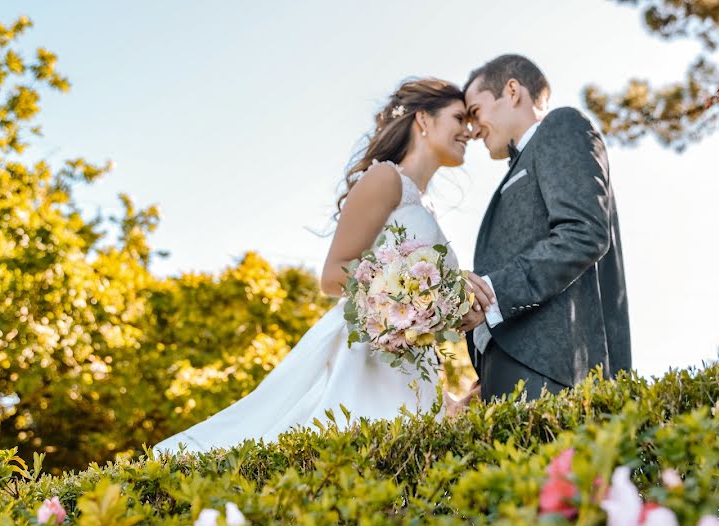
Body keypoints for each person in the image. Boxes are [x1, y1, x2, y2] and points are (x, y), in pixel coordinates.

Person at [154, 78, 489, 455]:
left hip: (407, 357)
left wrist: (449, 306)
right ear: (423, 119)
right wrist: (420, 293)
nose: (470, 130)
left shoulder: (423, 204)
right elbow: (333, 274)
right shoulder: (385, 178)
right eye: (459, 117)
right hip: (366, 355)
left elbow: (415, 305)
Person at [460, 54, 632, 403]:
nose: (472, 129)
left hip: (555, 374)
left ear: (512, 91)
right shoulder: (522, 162)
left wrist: (489, 293)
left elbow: (583, 232)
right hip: (515, 377)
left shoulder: (562, 126)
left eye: (475, 112)